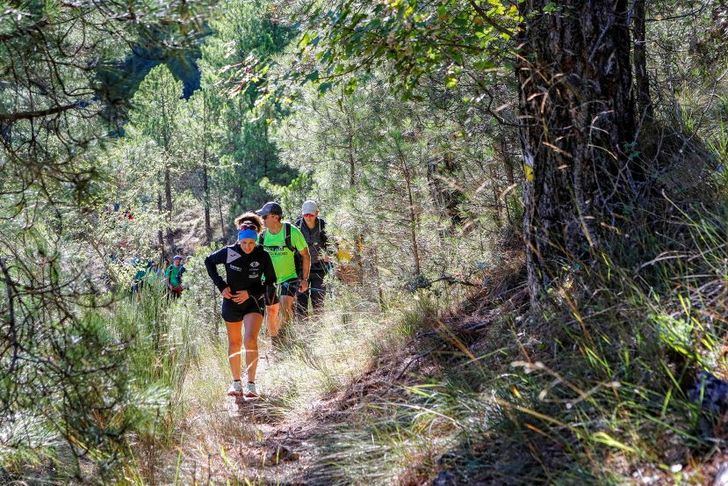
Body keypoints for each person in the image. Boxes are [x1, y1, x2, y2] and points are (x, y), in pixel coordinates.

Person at [204, 219, 276, 399]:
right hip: (232, 302)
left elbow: (270, 281)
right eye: (244, 243)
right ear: (239, 240)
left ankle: (251, 384)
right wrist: (222, 286)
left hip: (253, 301)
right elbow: (208, 262)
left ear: (256, 241)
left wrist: (250, 292)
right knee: (235, 342)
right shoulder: (229, 252)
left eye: (251, 243)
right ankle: (236, 383)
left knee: (250, 340)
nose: (248, 247)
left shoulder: (262, 255)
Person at [255, 202, 310, 345]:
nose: (262, 219)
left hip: (289, 277)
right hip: (268, 279)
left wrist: (304, 279)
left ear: (275, 217)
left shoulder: (291, 232)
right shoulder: (261, 236)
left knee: (285, 307)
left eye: (264, 216)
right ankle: (275, 341)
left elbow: (305, 255)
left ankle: (285, 337)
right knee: (271, 311)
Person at [295, 200, 331, 315]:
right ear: (302, 214)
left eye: (311, 215)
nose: (308, 217)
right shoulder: (297, 227)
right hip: (301, 269)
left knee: (318, 299)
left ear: (317, 213)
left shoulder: (324, 226)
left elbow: (333, 244)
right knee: (301, 301)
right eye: (306, 215)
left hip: (320, 268)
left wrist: (328, 254)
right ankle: (302, 329)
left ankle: (318, 329)